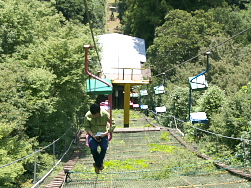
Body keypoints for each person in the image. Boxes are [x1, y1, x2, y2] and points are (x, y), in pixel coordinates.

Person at [83, 103, 113, 174]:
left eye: (96, 115)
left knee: (104, 147)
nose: (95, 116)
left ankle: (97, 165)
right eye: (93, 115)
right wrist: (93, 135)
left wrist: (106, 133)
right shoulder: (87, 116)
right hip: (93, 134)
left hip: (103, 134)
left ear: (99, 111)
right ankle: (99, 164)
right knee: (93, 148)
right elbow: (87, 127)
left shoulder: (105, 114)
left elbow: (113, 124)